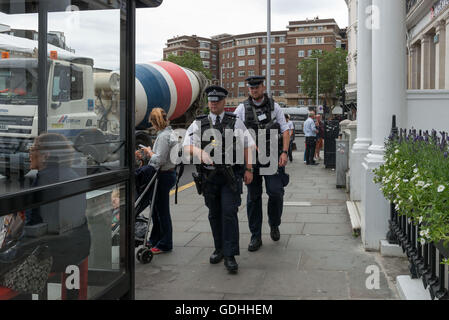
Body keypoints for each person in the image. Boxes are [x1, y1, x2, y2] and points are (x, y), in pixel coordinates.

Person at [183, 85, 255, 274]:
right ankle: (219, 249)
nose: (213, 104)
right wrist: (198, 151)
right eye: (211, 101)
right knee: (214, 214)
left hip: (230, 176)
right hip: (209, 178)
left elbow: (248, 145)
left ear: (224, 102)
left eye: (217, 101)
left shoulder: (235, 122)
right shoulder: (199, 123)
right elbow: (186, 145)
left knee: (229, 213)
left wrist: (249, 169)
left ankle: (230, 255)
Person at [234, 76, 290, 252]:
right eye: (251, 88)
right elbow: (234, 130)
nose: (254, 91)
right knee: (253, 198)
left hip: (273, 157)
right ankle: (255, 236)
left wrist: (285, 152)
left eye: (256, 87)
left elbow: (286, 130)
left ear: (263, 87)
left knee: (276, 193)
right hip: (251, 159)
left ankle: (274, 224)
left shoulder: (275, 107)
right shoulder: (242, 108)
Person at [135, 108, 178, 255]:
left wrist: (149, 152)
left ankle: (165, 243)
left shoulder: (163, 136)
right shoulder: (168, 133)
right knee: (156, 210)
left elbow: (159, 159)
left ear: (155, 122)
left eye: (152, 123)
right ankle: (155, 239)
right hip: (167, 174)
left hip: (163, 176)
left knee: (161, 211)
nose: (151, 125)